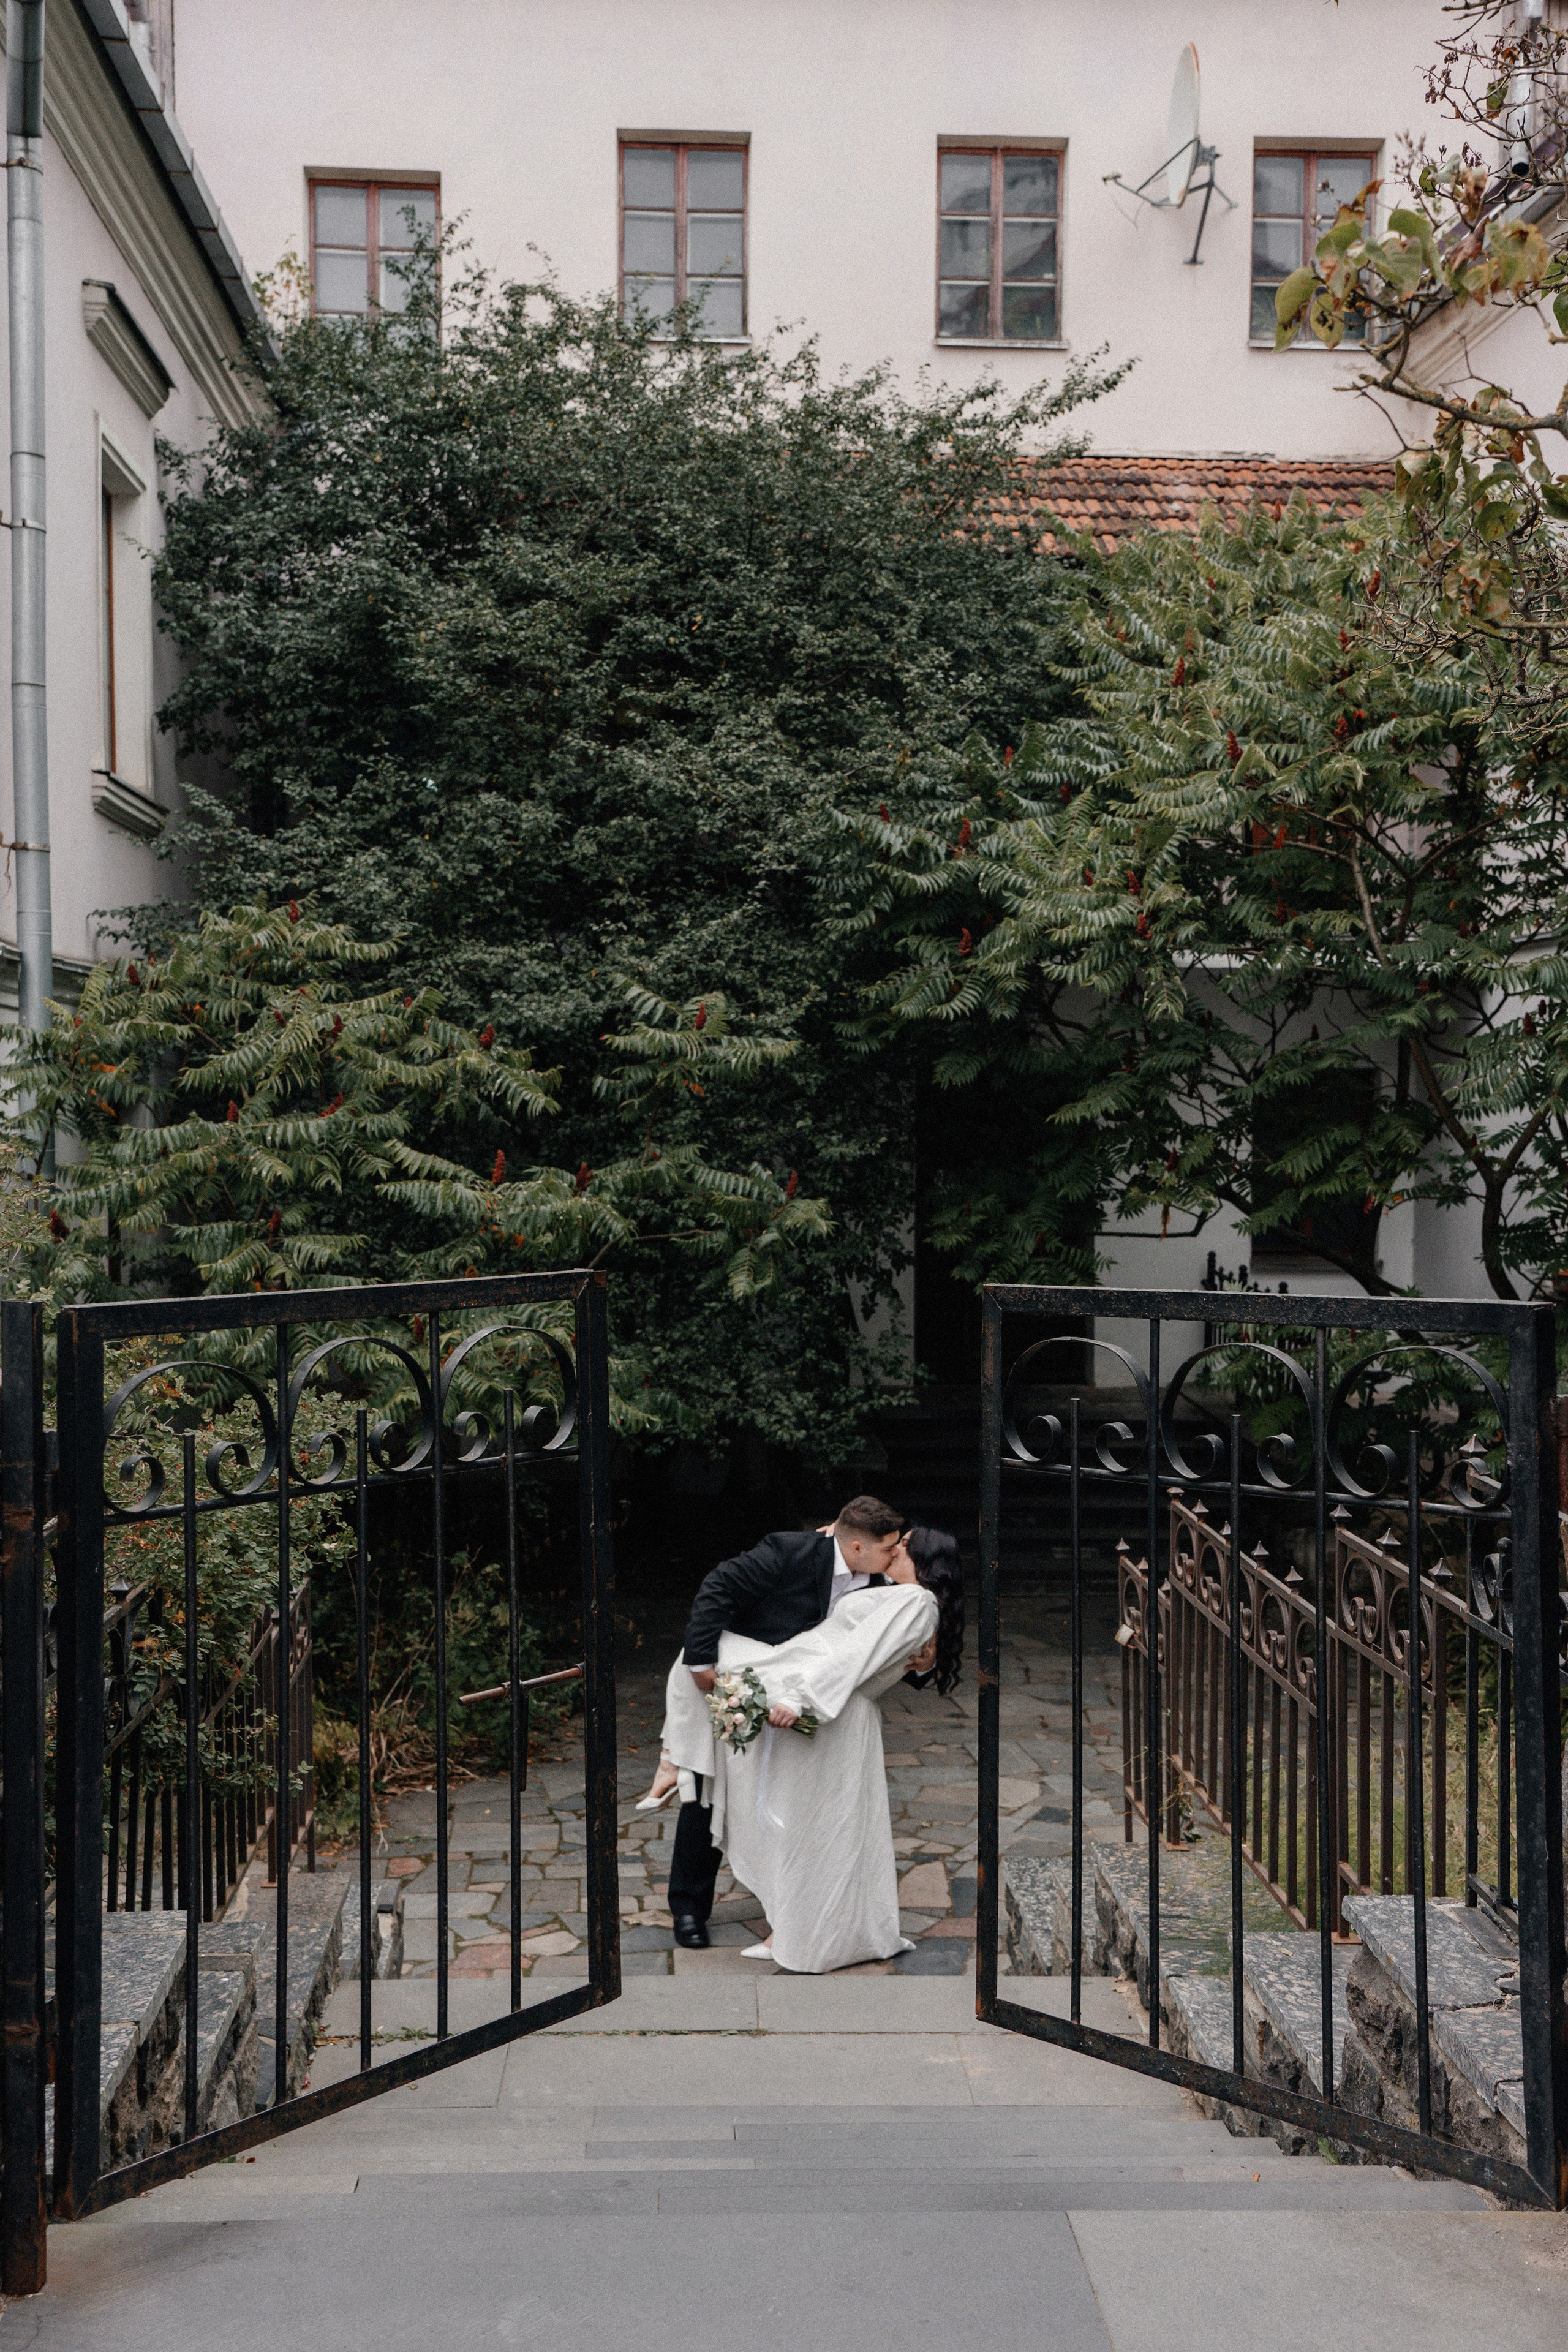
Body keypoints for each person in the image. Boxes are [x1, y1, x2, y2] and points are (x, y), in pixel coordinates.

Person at [644, 1512, 966, 1971]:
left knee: (816, 1824)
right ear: (855, 1544)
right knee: (711, 1759)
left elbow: (865, 1654)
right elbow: (718, 1589)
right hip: (784, 1669)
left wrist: (924, 1657)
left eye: (902, 1546)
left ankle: (677, 1760)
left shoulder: (899, 1592)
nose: (893, 1551)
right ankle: (692, 1902)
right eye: (890, 1544)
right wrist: (703, 1664)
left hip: (815, 1698)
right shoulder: (794, 1552)